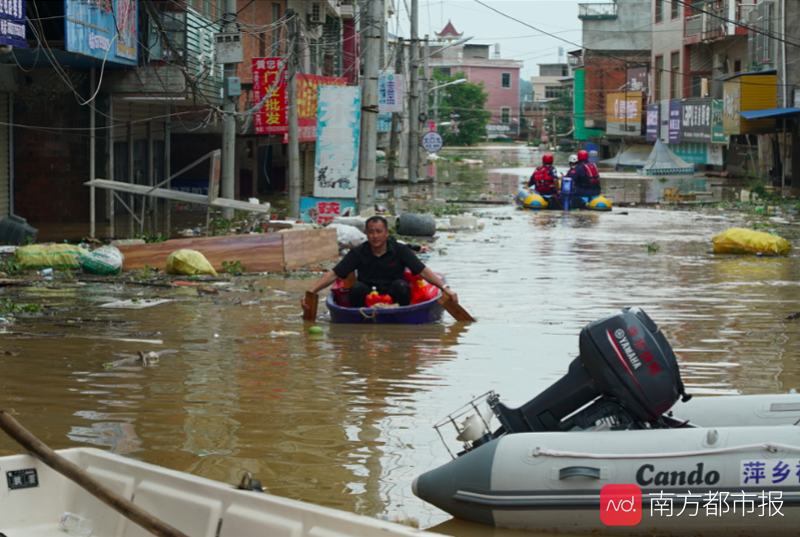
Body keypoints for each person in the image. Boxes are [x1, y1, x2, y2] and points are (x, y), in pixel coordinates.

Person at [301, 216, 458, 309]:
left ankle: (403, 317)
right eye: (371, 232)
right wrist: (311, 292)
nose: (375, 236)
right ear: (366, 234)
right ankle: (358, 321)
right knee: (356, 288)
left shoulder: (400, 250)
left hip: (394, 291)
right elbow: (334, 274)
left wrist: (445, 289)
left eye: (379, 231)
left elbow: (423, 271)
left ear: (386, 233)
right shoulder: (358, 252)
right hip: (367, 292)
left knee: (401, 286)